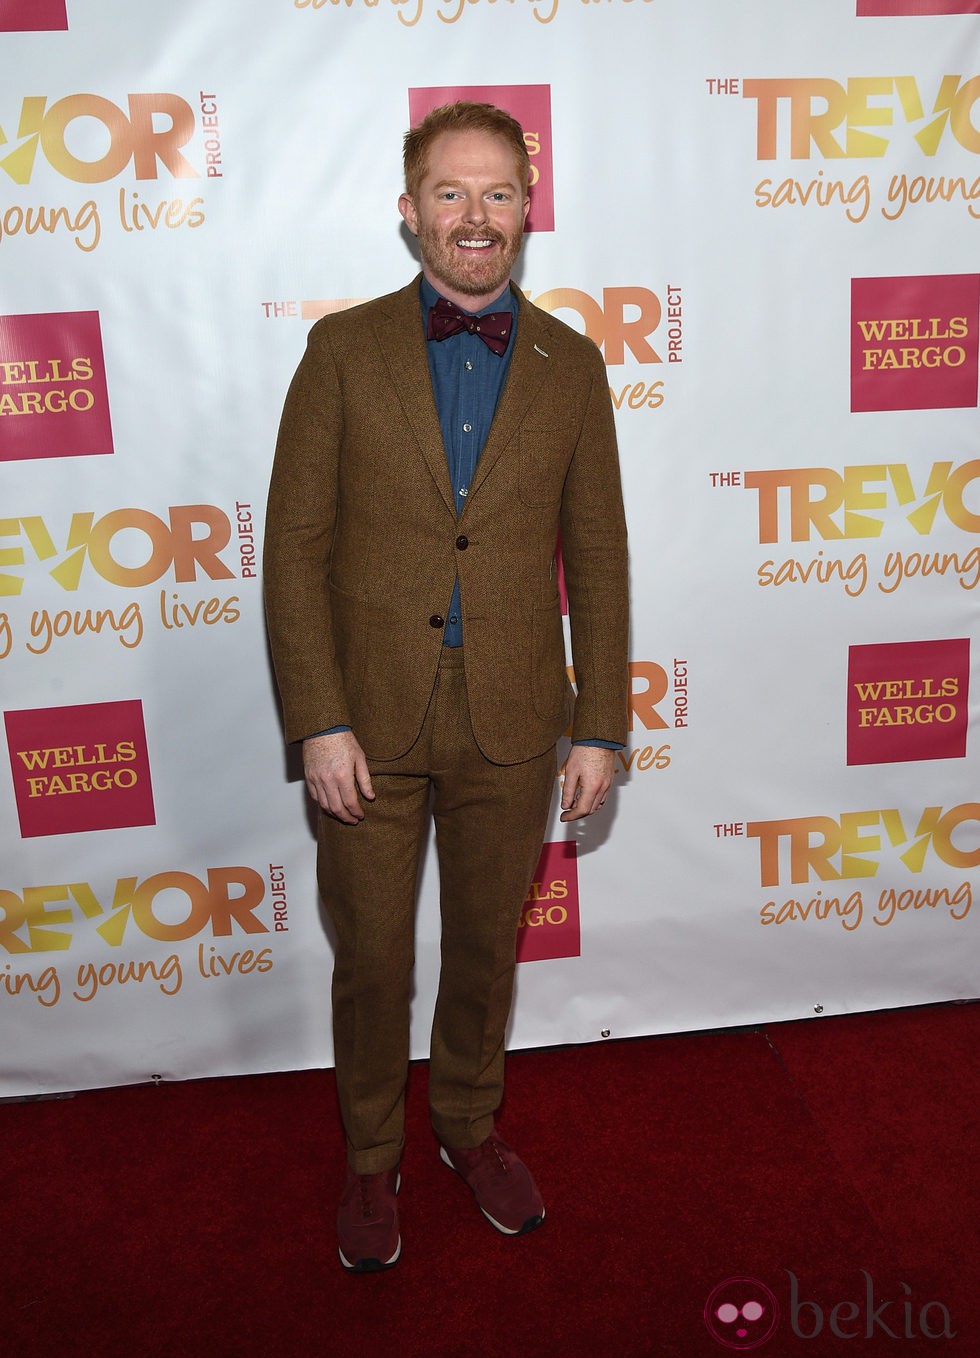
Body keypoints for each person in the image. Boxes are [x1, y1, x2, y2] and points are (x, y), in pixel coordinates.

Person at [264, 100, 629, 1272]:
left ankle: (467, 1125)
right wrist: (316, 718)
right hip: (365, 723)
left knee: (483, 952)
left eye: (499, 194)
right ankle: (372, 1159)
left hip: (519, 721)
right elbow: (294, 550)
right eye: (452, 193)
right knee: (373, 956)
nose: (476, 217)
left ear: (528, 209)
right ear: (410, 209)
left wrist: (601, 726)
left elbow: (601, 554)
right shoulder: (340, 350)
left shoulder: (573, 364)